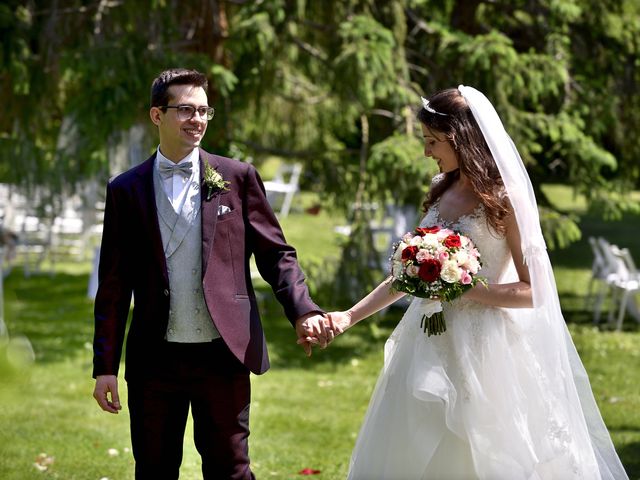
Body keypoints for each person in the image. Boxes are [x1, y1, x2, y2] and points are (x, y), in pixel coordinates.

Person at [320, 86, 629, 479]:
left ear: (460, 139)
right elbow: (406, 277)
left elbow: (534, 291)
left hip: (485, 351)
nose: (427, 152)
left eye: (433, 142)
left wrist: (465, 287)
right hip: (425, 341)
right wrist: (348, 317)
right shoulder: (440, 188)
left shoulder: (505, 199)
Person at [91, 68, 328, 480]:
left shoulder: (237, 177)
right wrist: (105, 365)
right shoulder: (125, 189)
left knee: (231, 470)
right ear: (156, 115)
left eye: (203, 111)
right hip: (154, 358)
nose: (197, 120)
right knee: (154, 469)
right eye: (185, 109)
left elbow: (276, 254)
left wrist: (303, 310)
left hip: (224, 353)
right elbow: (113, 285)